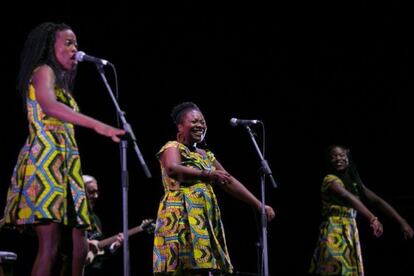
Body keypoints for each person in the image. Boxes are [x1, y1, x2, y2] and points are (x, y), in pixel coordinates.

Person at [1, 22, 125, 276]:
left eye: (76, 44)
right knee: (50, 245)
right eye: (68, 43)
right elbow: (50, 107)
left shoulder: (62, 83)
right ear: (51, 46)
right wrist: (98, 126)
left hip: (68, 163)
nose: (74, 49)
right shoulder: (43, 71)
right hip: (46, 161)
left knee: (80, 244)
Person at [153, 102, 276, 275]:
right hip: (180, 216)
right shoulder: (172, 147)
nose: (200, 125)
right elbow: (173, 169)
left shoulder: (205, 155)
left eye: (203, 122)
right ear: (180, 126)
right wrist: (207, 175)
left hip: (203, 219)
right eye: (195, 121)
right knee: (181, 268)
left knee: (204, 268)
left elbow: (228, 180)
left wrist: (258, 204)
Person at [309, 145, 414, 275]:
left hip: (351, 233)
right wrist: (372, 218)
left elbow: (377, 201)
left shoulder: (355, 185)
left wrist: (402, 221)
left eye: (341, 155)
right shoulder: (330, 180)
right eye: (333, 157)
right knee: (334, 270)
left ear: (348, 158)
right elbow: (346, 196)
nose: (338, 159)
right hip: (334, 234)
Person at [82, 175, 123, 275]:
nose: (96, 196)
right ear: (80, 193)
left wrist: (113, 247)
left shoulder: (95, 219)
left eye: (97, 192)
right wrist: (84, 242)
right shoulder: (70, 217)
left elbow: (98, 251)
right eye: (91, 192)